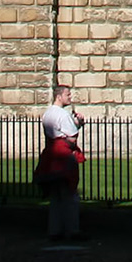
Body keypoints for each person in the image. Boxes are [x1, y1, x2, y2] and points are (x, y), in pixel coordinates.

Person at [34, 84, 84, 242]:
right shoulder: (63, 115)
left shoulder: (48, 113)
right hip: (63, 157)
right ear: (59, 96)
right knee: (70, 196)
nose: (70, 98)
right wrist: (79, 124)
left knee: (55, 197)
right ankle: (72, 230)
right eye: (68, 95)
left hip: (50, 155)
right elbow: (71, 139)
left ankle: (54, 230)